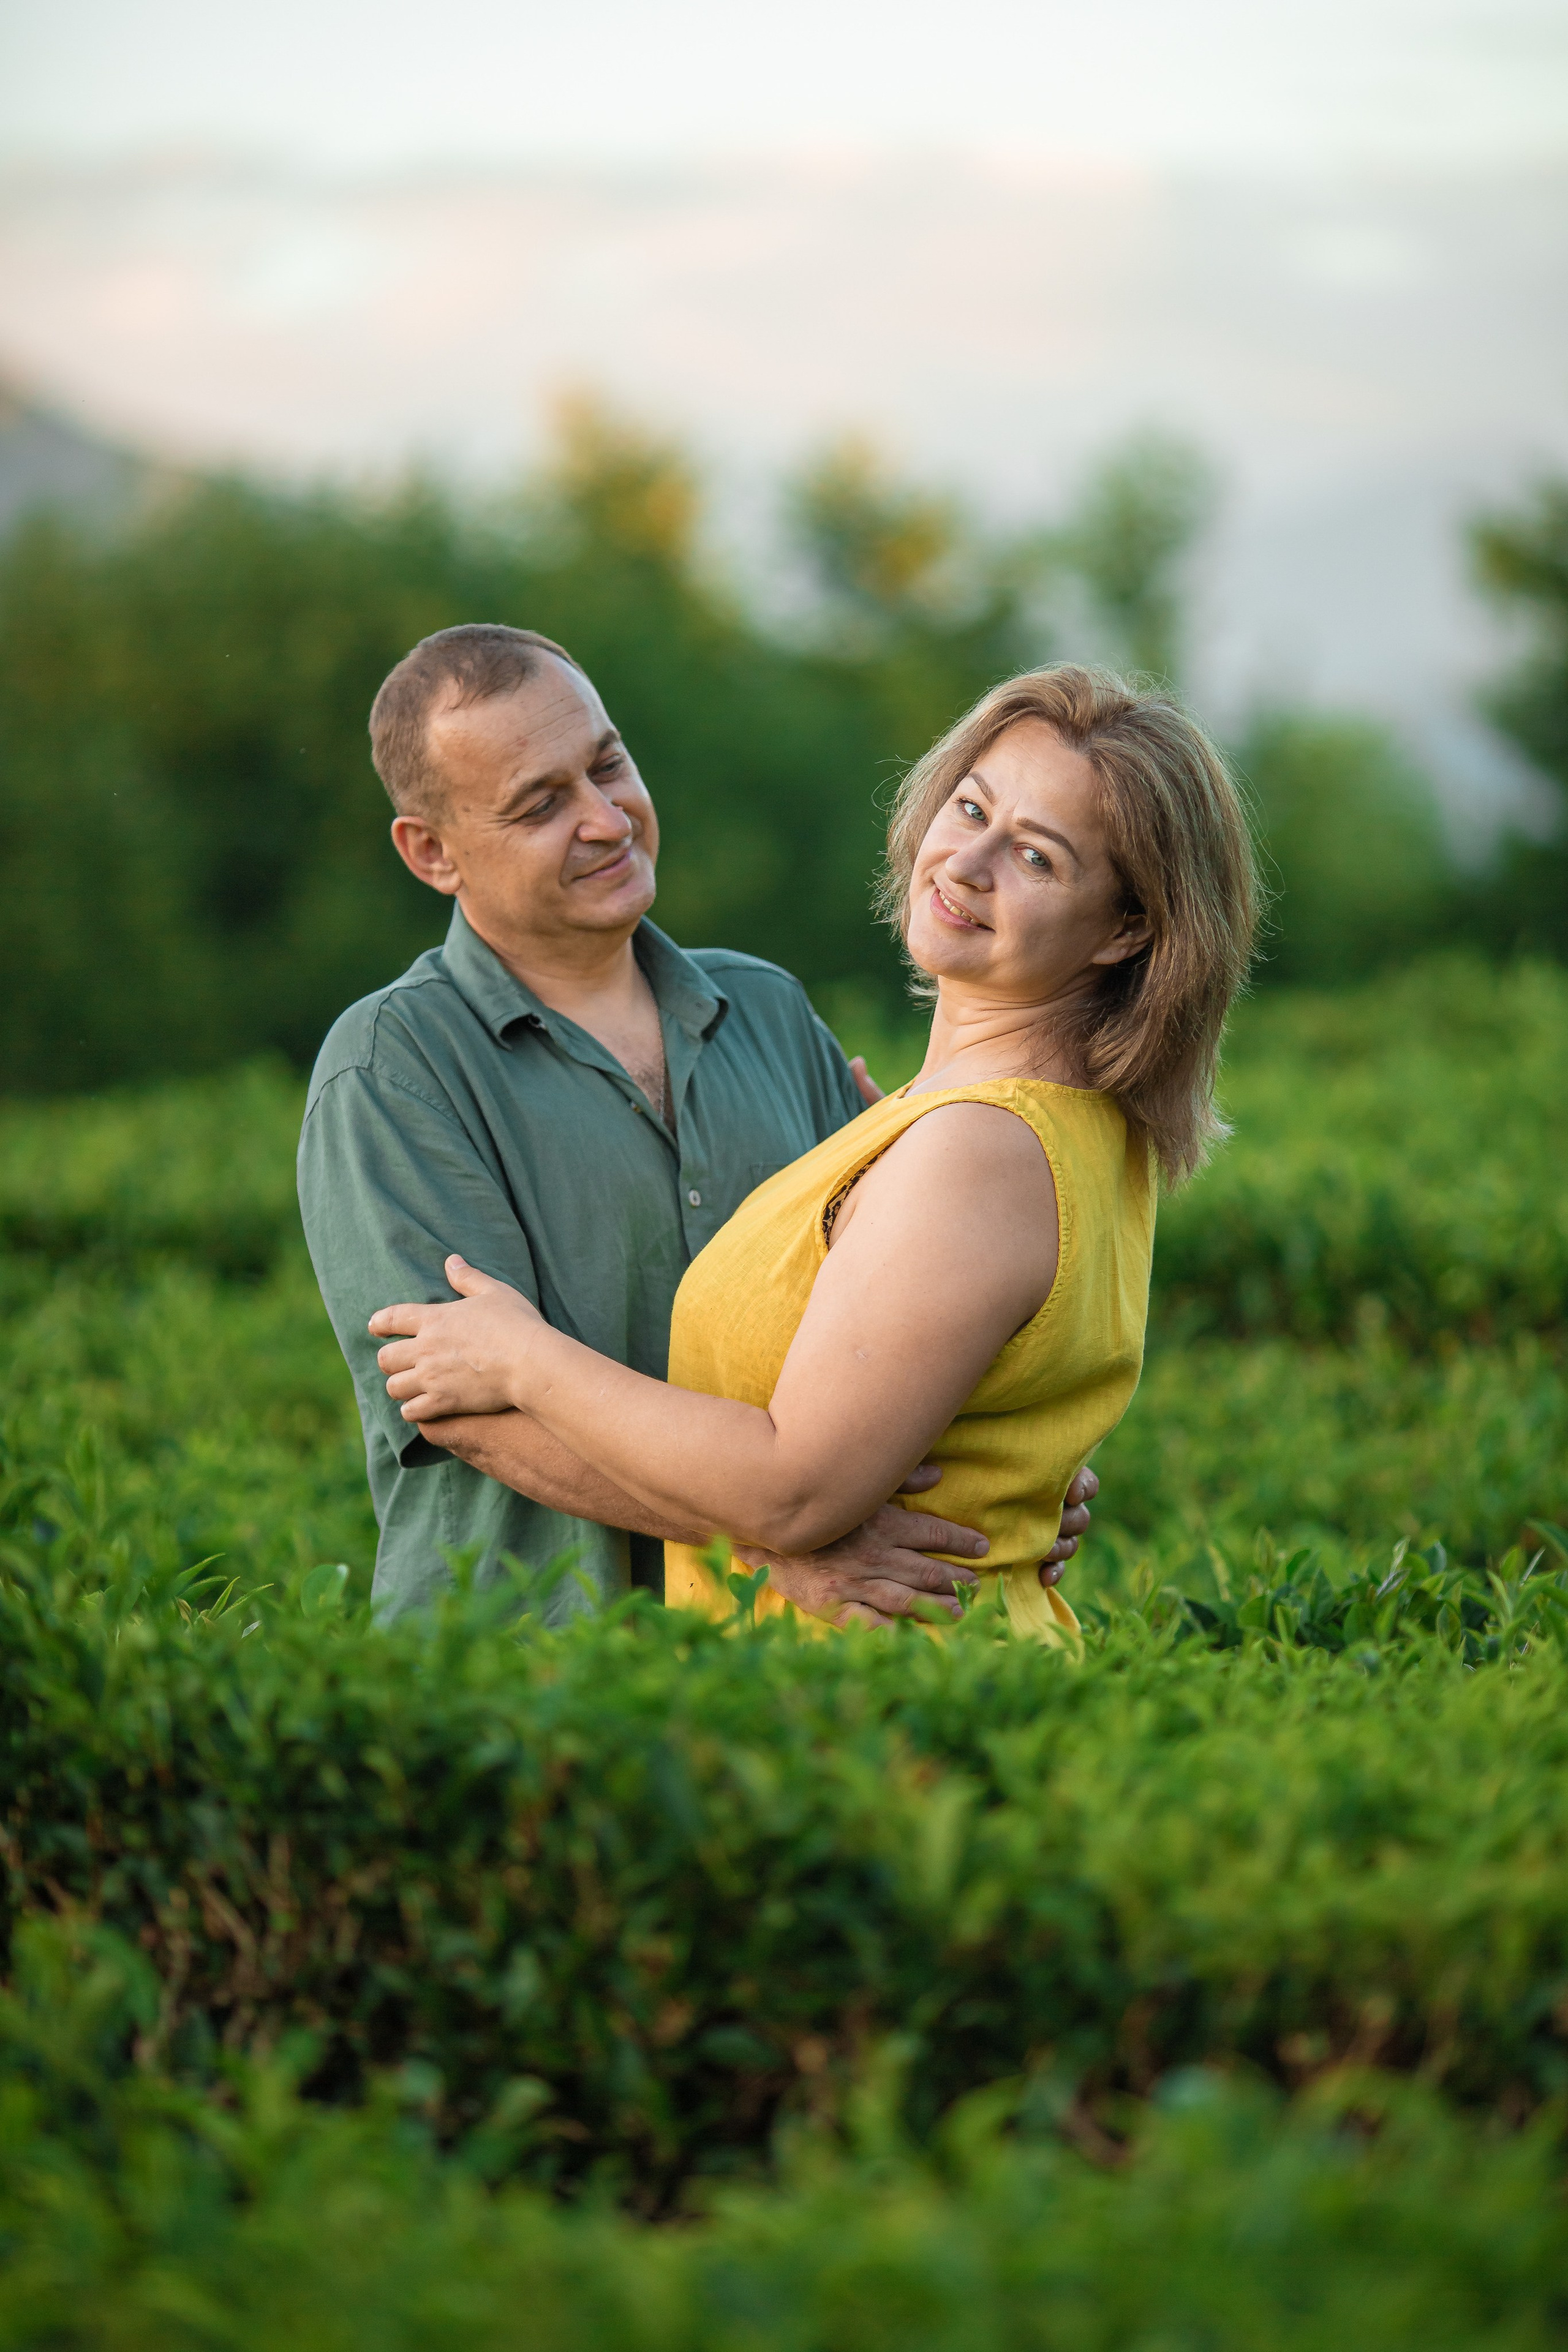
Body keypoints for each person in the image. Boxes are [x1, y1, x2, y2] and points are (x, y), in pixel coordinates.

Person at [368, 664, 1257, 1638]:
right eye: (970, 809)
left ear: (1127, 931)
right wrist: (1009, 1475)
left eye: (1038, 858)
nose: (966, 864)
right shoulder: (988, 1123)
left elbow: (794, 1490)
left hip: (876, 1687)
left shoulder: (974, 1145)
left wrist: (524, 1359)